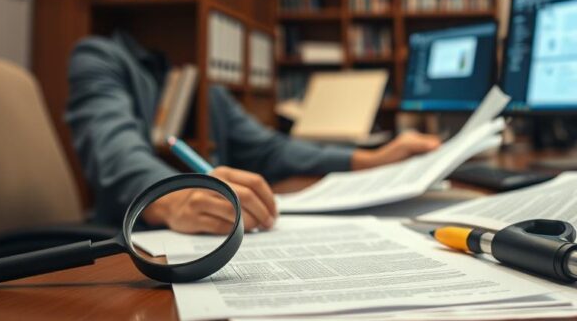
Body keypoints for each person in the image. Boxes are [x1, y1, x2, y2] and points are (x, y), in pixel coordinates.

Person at [66, 31, 440, 234]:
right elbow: (115, 153)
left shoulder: (208, 90)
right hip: (127, 251)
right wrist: (174, 198)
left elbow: (271, 150)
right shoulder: (99, 58)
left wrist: (369, 159)